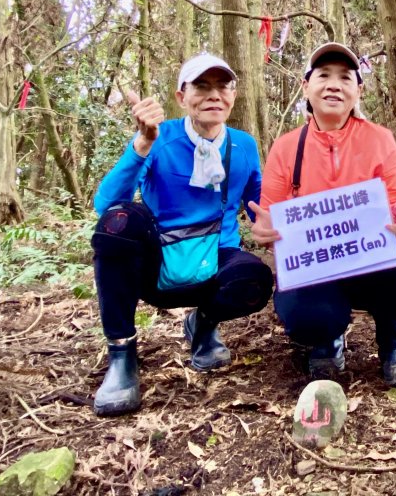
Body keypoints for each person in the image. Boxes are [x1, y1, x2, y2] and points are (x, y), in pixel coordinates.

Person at [90, 53, 274, 416]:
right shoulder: (161, 137)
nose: (213, 95)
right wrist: (142, 144)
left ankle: (203, 325)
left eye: (223, 86)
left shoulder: (244, 144)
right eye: (201, 86)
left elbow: (262, 203)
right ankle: (122, 356)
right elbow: (107, 205)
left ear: (234, 95)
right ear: (181, 97)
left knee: (254, 279)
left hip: (216, 255)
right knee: (119, 224)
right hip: (158, 261)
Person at [249, 43, 396, 388]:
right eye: (324, 76)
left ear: (358, 90)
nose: (334, 85)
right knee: (303, 317)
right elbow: (270, 213)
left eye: (345, 78)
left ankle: (394, 343)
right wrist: (266, 230)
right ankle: (327, 338)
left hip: (369, 263)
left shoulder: (380, 139)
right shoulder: (286, 147)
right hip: (317, 267)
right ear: (306, 86)